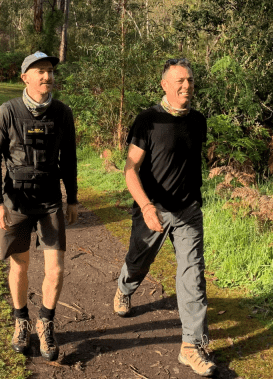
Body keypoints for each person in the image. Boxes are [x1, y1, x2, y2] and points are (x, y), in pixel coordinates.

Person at [113, 58, 216, 377]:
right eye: (180, 81)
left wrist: (195, 201)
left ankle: (191, 345)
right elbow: (131, 170)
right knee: (139, 261)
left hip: (188, 211)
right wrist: (145, 206)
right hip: (153, 209)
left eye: (190, 80)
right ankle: (125, 288)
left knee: (192, 275)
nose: (187, 86)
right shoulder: (148, 121)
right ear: (165, 85)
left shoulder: (198, 120)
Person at [0, 51, 78, 361]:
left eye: (50, 70)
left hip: (50, 201)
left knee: (56, 269)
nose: (47, 75)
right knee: (20, 265)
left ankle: (46, 323)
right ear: (25, 77)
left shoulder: (63, 114)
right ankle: (21, 321)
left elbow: (69, 161)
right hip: (16, 202)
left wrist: (73, 198)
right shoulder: (7, 113)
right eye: (39, 70)